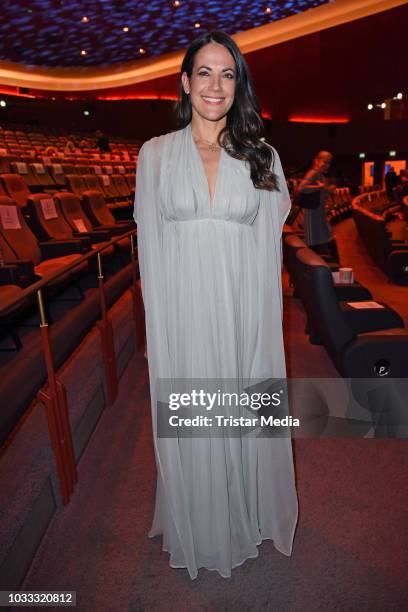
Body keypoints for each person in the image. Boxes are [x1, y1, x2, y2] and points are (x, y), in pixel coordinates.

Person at [134, 30, 298, 580]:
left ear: (239, 86)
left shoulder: (262, 156)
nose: (215, 84)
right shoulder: (154, 155)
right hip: (182, 308)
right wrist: (161, 330)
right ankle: (199, 522)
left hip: (239, 307)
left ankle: (243, 512)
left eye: (227, 74)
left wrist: (261, 327)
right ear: (185, 82)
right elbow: (151, 248)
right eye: (204, 72)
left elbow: (268, 244)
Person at [295, 150, 339, 261]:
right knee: (318, 248)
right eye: (325, 162)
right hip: (313, 217)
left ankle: (331, 273)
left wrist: (328, 190)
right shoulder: (313, 173)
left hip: (319, 216)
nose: (327, 165)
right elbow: (302, 188)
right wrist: (320, 187)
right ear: (316, 161)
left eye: (329, 163)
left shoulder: (320, 176)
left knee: (327, 245)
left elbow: (321, 195)